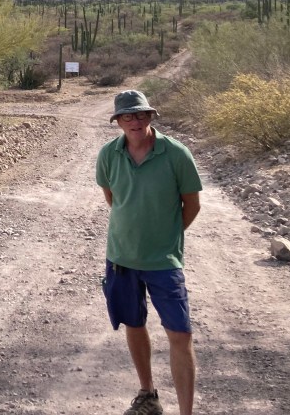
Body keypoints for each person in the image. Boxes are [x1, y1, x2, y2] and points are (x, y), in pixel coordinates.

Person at [96, 90, 202, 415]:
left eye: (141, 115)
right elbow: (112, 198)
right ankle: (148, 396)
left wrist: (166, 236)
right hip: (122, 258)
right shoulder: (109, 154)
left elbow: (192, 204)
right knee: (133, 323)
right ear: (118, 121)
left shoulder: (176, 154)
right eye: (128, 116)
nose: (135, 121)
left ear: (150, 117)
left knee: (180, 334)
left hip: (164, 262)